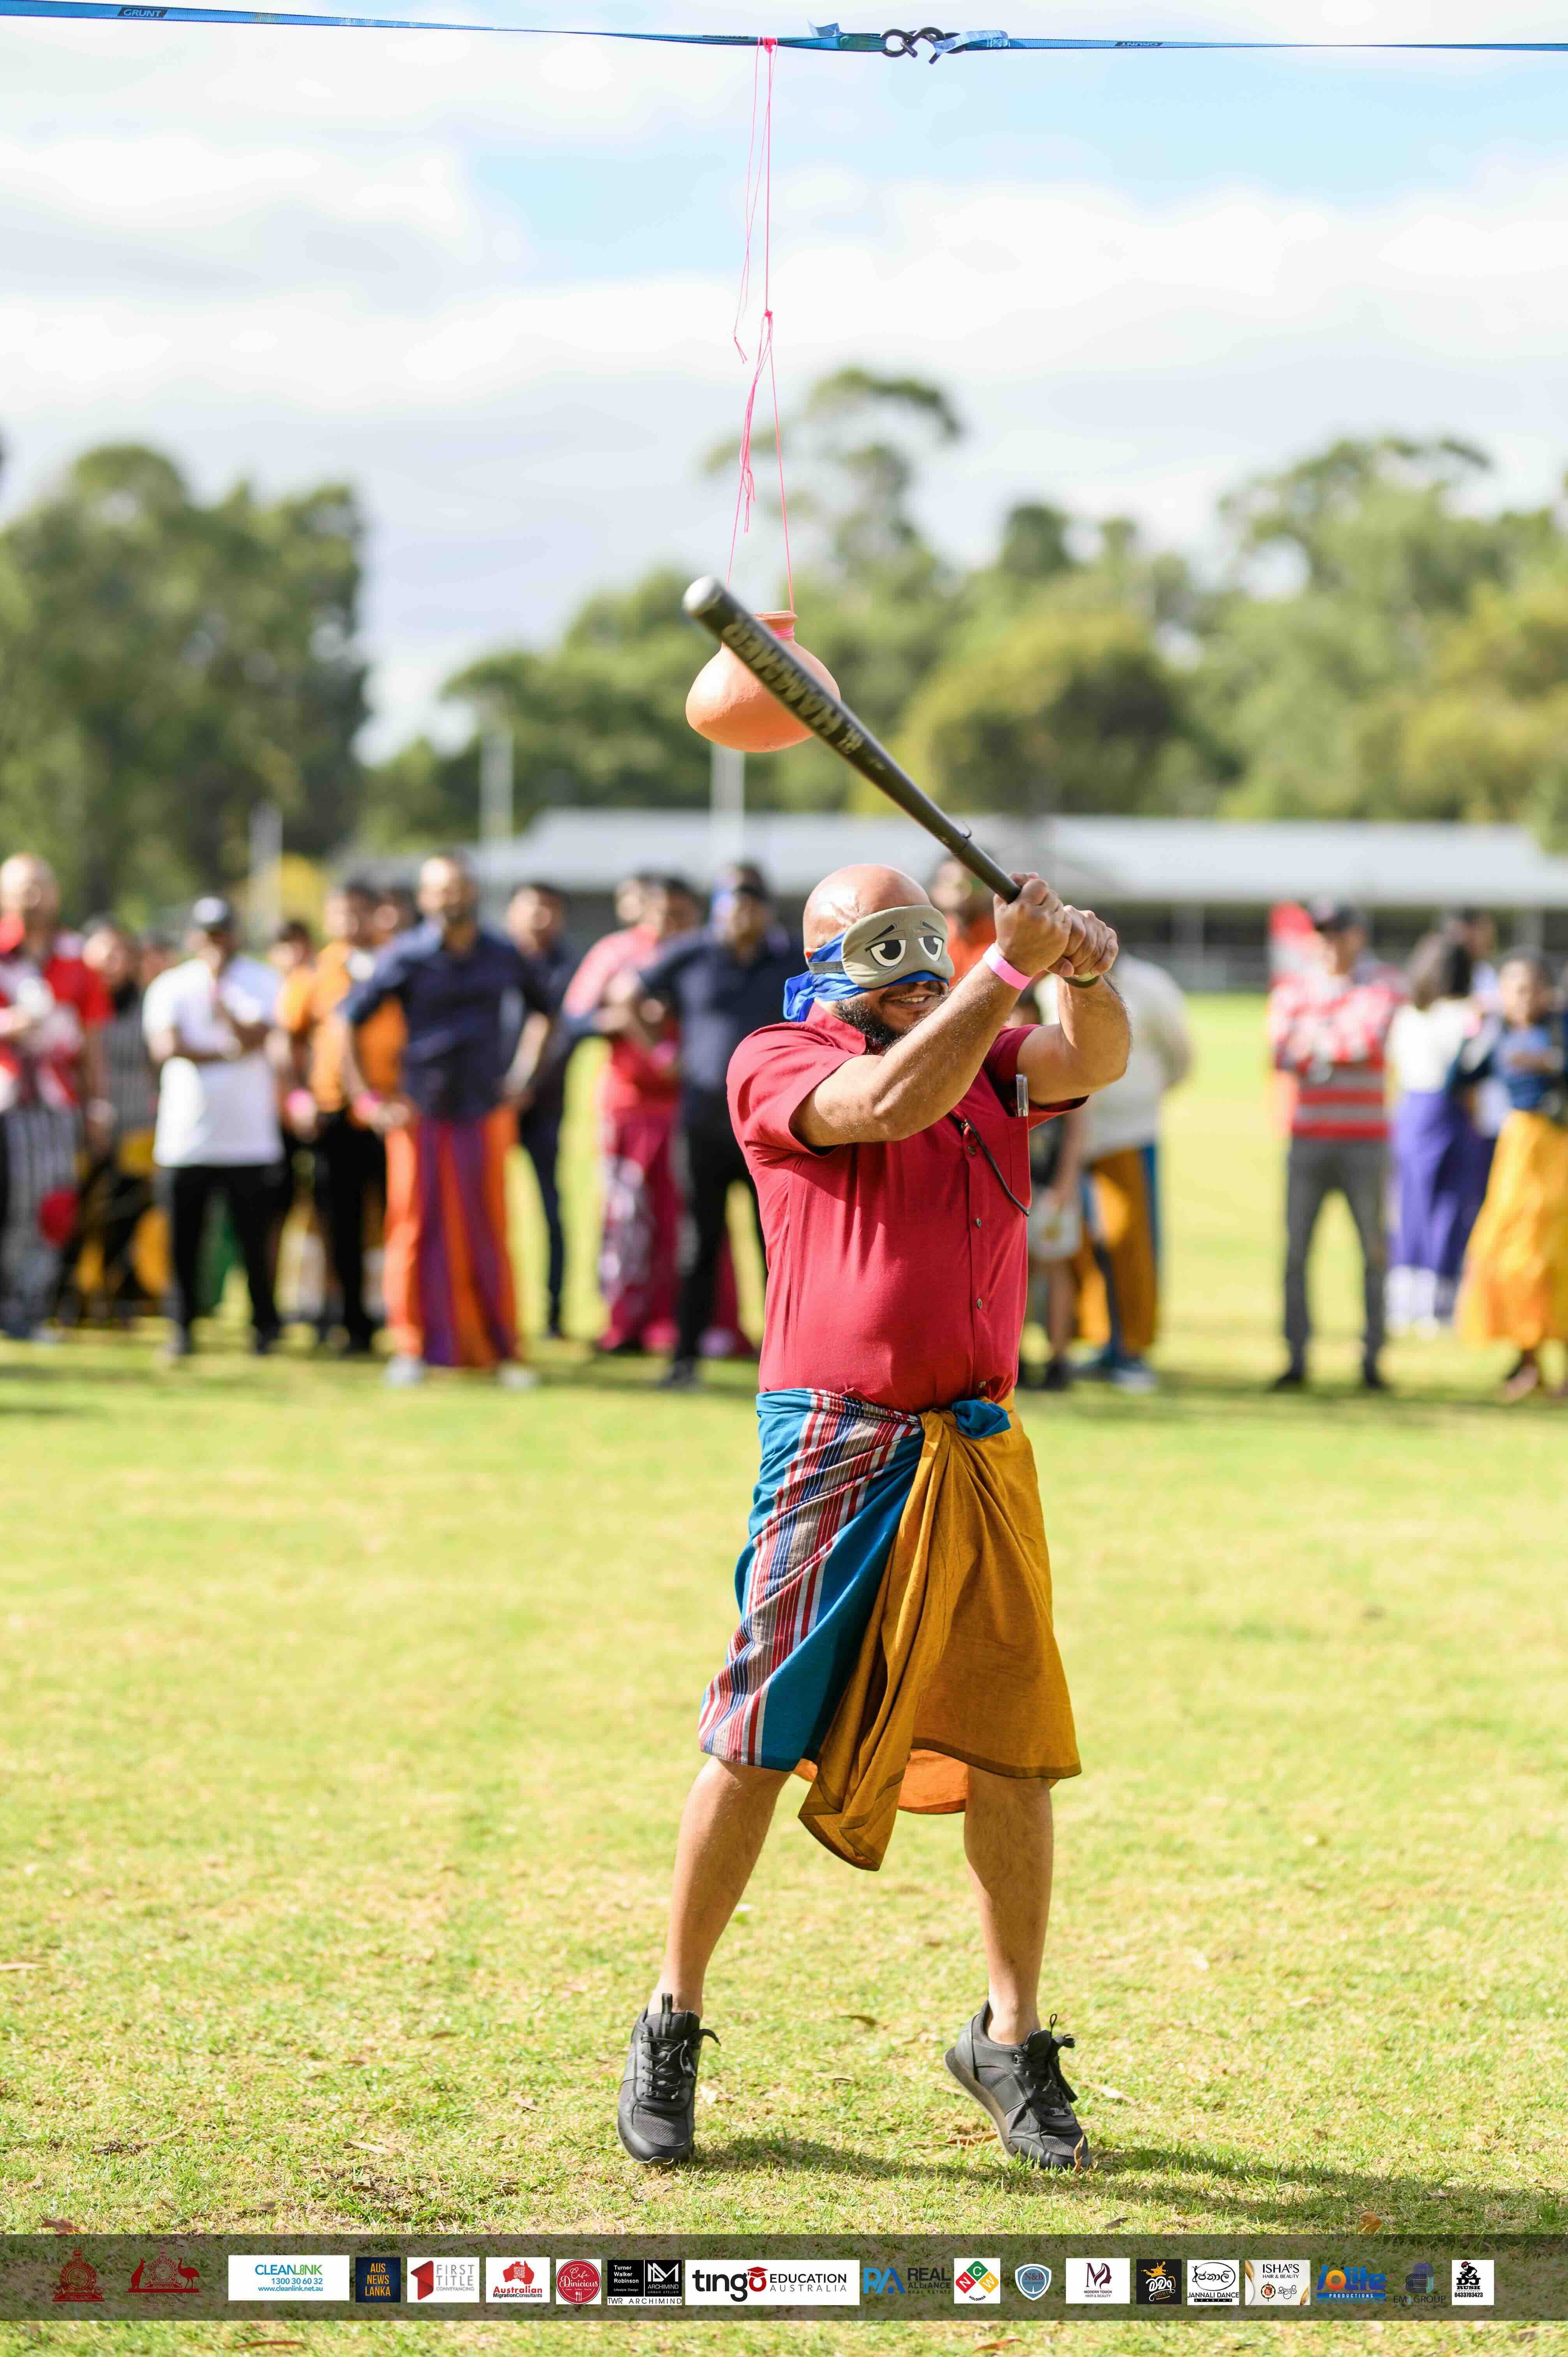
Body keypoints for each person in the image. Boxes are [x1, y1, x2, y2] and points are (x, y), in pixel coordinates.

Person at [615, 862, 1126, 2172]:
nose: (908, 962)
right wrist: (1000, 970)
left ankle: (1009, 2034)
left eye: (922, 938)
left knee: (1016, 1742)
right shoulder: (775, 1055)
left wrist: (1081, 964)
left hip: (977, 1438)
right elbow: (889, 1099)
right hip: (837, 1438)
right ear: (825, 957)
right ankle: (672, 2013)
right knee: (757, 1728)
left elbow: (1093, 1057)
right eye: (876, 942)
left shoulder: (991, 1047)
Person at [335, 852, 552, 1387]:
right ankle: (412, 1347)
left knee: (490, 1229)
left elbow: (546, 1012)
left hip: (483, 1109)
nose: (449, 898)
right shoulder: (405, 955)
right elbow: (346, 1020)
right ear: (424, 898)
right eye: (439, 890)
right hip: (419, 1113)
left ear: (473, 891)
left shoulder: (502, 954)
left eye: (457, 888)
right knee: (412, 1229)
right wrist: (368, 1099)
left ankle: (503, 1352)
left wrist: (522, 1079)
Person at [621, 864, 798, 1390]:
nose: (742, 913)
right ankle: (685, 1360)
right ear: (719, 907)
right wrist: (658, 1050)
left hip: (771, 1127)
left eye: (752, 903)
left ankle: (787, 1365)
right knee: (698, 1243)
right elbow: (625, 994)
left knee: (778, 1245)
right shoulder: (692, 953)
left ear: (767, 909)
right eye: (732, 903)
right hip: (701, 1122)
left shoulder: (789, 959)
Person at [1266, 899, 1405, 1392]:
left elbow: (1367, 1041)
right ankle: (1296, 1357)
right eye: (1321, 933)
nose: (1328, 943)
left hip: (1365, 1143)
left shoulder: (1384, 983)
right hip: (1307, 1142)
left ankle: (1372, 1358)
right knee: (1297, 1253)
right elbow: (1281, 1051)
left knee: (1373, 1253)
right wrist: (1331, 1037)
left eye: (1337, 933)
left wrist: (1315, 1037)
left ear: (1358, 936)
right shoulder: (1292, 987)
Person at [142, 896, 284, 1359]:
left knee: (254, 1241)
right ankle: (182, 1325)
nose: (215, 943)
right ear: (193, 938)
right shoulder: (171, 986)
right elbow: (166, 1047)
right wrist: (225, 1050)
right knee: (184, 1241)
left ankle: (264, 1325)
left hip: (248, 1139)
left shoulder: (261, 981)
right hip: (186, 1137)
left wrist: (225, 1011)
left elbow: (258, 1039)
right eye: (207, 934)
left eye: (222, 933)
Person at [1053, 947, 1192, 1393]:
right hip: (1067, 1135)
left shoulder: (1151, 987)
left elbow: (1180, 1057)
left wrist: (1142, 1098)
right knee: (1077, 1245)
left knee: (1130, 1241)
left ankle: (1131, 1350)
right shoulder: (1051, 982)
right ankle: (1097, 1341)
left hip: (1129, 1134)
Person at [275, 880, 394, 1356]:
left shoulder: (396, 964)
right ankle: (350, 1322)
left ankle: (400, 1314)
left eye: (360, 912)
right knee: (337, 1222)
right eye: (342, 913)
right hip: (333, 1113)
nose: (352, 922)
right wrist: (296, 1098)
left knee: (396, 1218)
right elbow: (289, 1040)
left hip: (387, 1111)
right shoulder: (315, 974)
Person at [0, 855, 113, 1339]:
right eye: (22, 887)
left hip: (54, 1103)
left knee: (51, 1206)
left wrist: (98, 1105)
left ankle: (27, 1310)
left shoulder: (75, 958)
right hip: (4, 1096)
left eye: (41, 885)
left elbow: (92, 1042)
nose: (33, 896)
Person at [1454, 949, 1568, 1400]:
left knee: (1557, 1254)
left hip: (1558, 1148)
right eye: (1514, 989)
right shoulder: (1496, 1033)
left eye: (1532, 989)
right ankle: (1528, 1359)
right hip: (1517, 1151)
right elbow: (1458, 1076)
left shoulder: (1560, 1029)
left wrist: (1552, 1063)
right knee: (1510, 1253)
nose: (1523, 998)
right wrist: (1475, 1029)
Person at [1386, 932, 1484, 1335]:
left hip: (1409, 1109)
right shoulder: (1467, 1015)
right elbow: (1470, 1078)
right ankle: (1438, 1305)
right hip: (1447, 1110)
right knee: (1449, 1205)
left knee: (1409, 1203)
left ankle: (1403, 1300)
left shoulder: (1408, 1013)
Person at [75, 921, 159, 1321]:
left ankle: (117, 1293)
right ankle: (73, 1292)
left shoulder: (147, 1004)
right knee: (81, 1211)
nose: (111, 962)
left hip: (136, 1124)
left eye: (119, 953)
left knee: (126, 1215)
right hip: (81, 1121)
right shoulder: (74, 1000)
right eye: (102, 952)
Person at [505, 881, 577, 1340]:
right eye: (530, 908)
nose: (539, 917)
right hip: (488, 1104)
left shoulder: (568, 968)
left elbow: (564, 1031)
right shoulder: (491, 959)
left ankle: (554, 1314)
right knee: (484, 1209)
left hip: (545, 1105)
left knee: (551, 1209)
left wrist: (528, 1084)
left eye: (549, 909)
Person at [1022, 1101, 1086, 1391]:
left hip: (1052, 1186)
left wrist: (1066, 1183)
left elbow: (1077, 1128)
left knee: (1055, 1268)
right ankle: (1017, 1358)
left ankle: (1058, 1359)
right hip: (1023, 1182)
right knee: (1022, 1272)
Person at [930, 855, 998, 979]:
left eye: (975, 883)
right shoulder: (929, 943)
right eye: (950, 881)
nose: (966, 892)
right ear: (936, 890)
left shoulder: (1006, 942)